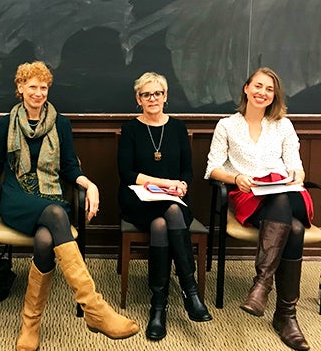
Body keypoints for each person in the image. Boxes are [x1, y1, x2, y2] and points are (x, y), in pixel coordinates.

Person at [0, 61, 139, 351]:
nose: (38, 93)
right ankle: (95, 308)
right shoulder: (6, 123)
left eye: (43, 87)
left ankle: (30, 324)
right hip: (16, 198)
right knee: (56, 216)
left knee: (45, 239)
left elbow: (70, 167)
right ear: (20, 88)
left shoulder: (61, 123)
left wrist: (89, 184)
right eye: (32, 86)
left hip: (51, 196)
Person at [205, 67, 312, 351]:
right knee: (296, 229)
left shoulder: (283, 125)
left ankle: (263, 287)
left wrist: (296, 177)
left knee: (280, 198)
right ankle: (286, 316)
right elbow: (213, 168)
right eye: (258, 86)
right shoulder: (226, 125)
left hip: (285, 194)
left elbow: (295, 165)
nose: (263, 93)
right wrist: (236, 178)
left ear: (274, 95)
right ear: (246, 88)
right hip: (249, 195)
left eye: (269, 89)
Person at [117, 72, 212, 341]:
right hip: (137, 198)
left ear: (165, 96)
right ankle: (189, 291)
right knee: (166, 213)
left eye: (157, 93)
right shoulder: (131, 129)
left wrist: (181, 185)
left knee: (164, 220)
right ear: (138, 99)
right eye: (147, 94)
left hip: (174, 200)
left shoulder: (178, 128)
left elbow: (187, 171)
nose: (153, 98)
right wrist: (165, 183)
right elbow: (127, 173)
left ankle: (158, 307)